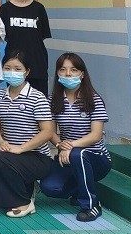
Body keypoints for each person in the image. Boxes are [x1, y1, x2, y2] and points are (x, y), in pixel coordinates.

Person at [0, 51, 55, 217]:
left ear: (27, 72)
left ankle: (24, 203)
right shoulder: (0, 95)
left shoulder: (37, 97)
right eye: (7, 68)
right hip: (11, 156)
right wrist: (0, 141)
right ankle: (27, 187)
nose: (12, 72)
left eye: (17, 68)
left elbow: (48, 131)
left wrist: (21, 148)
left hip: (36, 157)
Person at [40, 53, 112, 222]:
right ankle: (79, 190)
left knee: (78, 154)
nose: (68, 74)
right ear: (57, 73)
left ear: (82, 74)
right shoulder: (53, 100)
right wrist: (60, 145)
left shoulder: (93, 99)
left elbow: (96, 135)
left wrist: (71, 146)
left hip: (96, 158)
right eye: (63, 70)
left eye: (73, 70)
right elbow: (50, 131)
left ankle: (91, 205)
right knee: (49, 187)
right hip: (68, 156)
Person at [0, 0, 52, 95]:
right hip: (13, 63)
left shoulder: (39, 8)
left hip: (37, 62)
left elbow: (42, 35)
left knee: (39, 99)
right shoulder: (5, 9)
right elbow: (3, 36)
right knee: (15, 99)